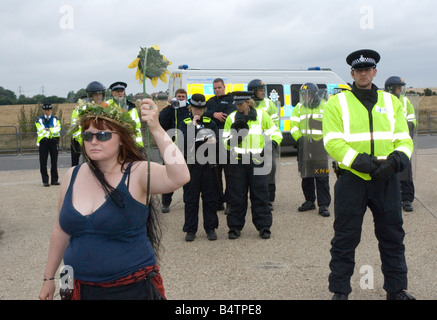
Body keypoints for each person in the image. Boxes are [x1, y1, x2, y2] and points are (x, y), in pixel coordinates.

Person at [39, 98, 190, 300]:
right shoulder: (72, 175)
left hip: (130, 289)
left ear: (121, 138)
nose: (93, 141)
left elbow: (180, 176)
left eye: (103, 135)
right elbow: (61, 229)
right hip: (79, 288)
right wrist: (48, 279)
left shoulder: (137, 172)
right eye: (88, 135)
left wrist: (156, 128)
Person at [323, 49, 415, 300]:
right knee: (344, 239)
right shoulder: (337, 103)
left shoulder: (391, 102)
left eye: (368, 70)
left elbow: (404, 139)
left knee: (393, 237)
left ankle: (396, 290)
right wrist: (360, 162)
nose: (363, 74)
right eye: (358, 70)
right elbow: (332, 141)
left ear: (374, 72)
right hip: (352, 179)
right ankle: (340, 291)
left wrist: (395, 162)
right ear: (352, 74)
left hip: (387, 179)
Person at [223, 91, 281, 240]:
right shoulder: (232, 117)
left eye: (240, 103)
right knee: (237, 196)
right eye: (236, 103)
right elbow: (225, 140)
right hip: (237, 162)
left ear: (248, 102)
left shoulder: (261, 116)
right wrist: (232, 141)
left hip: (257, 161)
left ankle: (264, 227)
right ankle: (235, 228)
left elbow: (275, 132)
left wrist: (272, 144)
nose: (237, 106)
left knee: (260, 195)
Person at [180, 94, 220, 241]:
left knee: (210, 198)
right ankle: (190, 230)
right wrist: (194, 127)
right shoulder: (184, 122)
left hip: (208, 164)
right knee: (191, 199)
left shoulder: (210, 122)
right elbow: (183, 140)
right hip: (191, 165)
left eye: (201, 108)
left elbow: (214, 140)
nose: (198, 111)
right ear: (191, 107)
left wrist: (197, 135)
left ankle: (210, 228)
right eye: (196, 107)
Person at [290, 83, 331, 217]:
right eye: (303, 94)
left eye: (308, 94)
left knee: (322, 176)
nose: (305, 97)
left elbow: (331, 125)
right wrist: (299, 138)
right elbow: (294, 125)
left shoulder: (325, 105)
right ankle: (309, 201)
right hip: (304, 144)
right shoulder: (299, 107)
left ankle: (323, 205)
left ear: (314, 94)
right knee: (306, 175)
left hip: (320, 145)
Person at [248, 79, 283, 211]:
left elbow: (275, 123)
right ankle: (256, 199)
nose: (263, 92)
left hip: (267, 144)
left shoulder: (269, 103)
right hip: (251, 145)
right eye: (260, 90)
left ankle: (269, 200)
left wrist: (272, 141)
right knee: (252, 173)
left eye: (263, 90)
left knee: (270, 171)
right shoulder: (248, 103)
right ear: (253, 92)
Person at [204, 78, 237, 213]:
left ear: (224, 87)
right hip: (213, 141)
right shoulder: (210, 101)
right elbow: (203, 113)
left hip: (226, 142)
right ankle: (219, 202)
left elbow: (228, 115)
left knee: (229, 174)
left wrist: (213, 115)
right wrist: (213, 114)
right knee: (215, 174)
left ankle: (229, 202)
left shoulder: (230, 100)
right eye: (215, 88)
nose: (217, 90)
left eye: (219, 87)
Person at [385, 76, 417, 212]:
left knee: (406, 171)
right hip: (387, 143)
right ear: (391, 88)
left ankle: (407, 199)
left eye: (401, 87)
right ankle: (391, 199)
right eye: (398, 87)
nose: (400, 90)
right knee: (389, 172)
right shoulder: (384, 100)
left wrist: (410, 125)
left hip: (402, 141)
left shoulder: (405, 101)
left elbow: (412, 118)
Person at [158, 88, 191, 213]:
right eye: (179, 96)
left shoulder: (189, 109)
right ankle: (165, 203)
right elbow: (161, 123)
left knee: (188, 177)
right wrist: (170, 106)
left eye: (183, 97)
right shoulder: (169, 110)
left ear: (186, 98)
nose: (181, 99)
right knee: (168, 176)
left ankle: (188, 201)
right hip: (171, 148)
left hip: (187, 149)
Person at [70, 81, 108, 166]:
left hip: (101, 142)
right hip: (87, 141)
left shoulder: (106, 108)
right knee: (87, 166)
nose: (98, 97)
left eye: (100, 94)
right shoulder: (82, 110)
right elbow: (75, 127)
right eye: (96, 94)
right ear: (91, 96)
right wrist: (84, 140)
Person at [107, 81, 144, 147]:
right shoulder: (107, 105)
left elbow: (137, 127)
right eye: (118, 92)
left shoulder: (131, 107)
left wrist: (139, 146)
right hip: (112, 143)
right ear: (113, 93)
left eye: (122, 91)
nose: (120, 93)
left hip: (128, 142)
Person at [35, 103, 61, 187]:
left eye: (49, 110)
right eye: (46, 110)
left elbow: (58, 129)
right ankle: (45, 181)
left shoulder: (55, 119)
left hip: (53, 141)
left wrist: (48, 129)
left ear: (51, 110)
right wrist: (52, 129)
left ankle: (54, 180)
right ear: (43, 110)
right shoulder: (39, 120)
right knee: (43, 162)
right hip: (44, 142)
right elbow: (40, 129)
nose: (47, 111)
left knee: (54, 161)